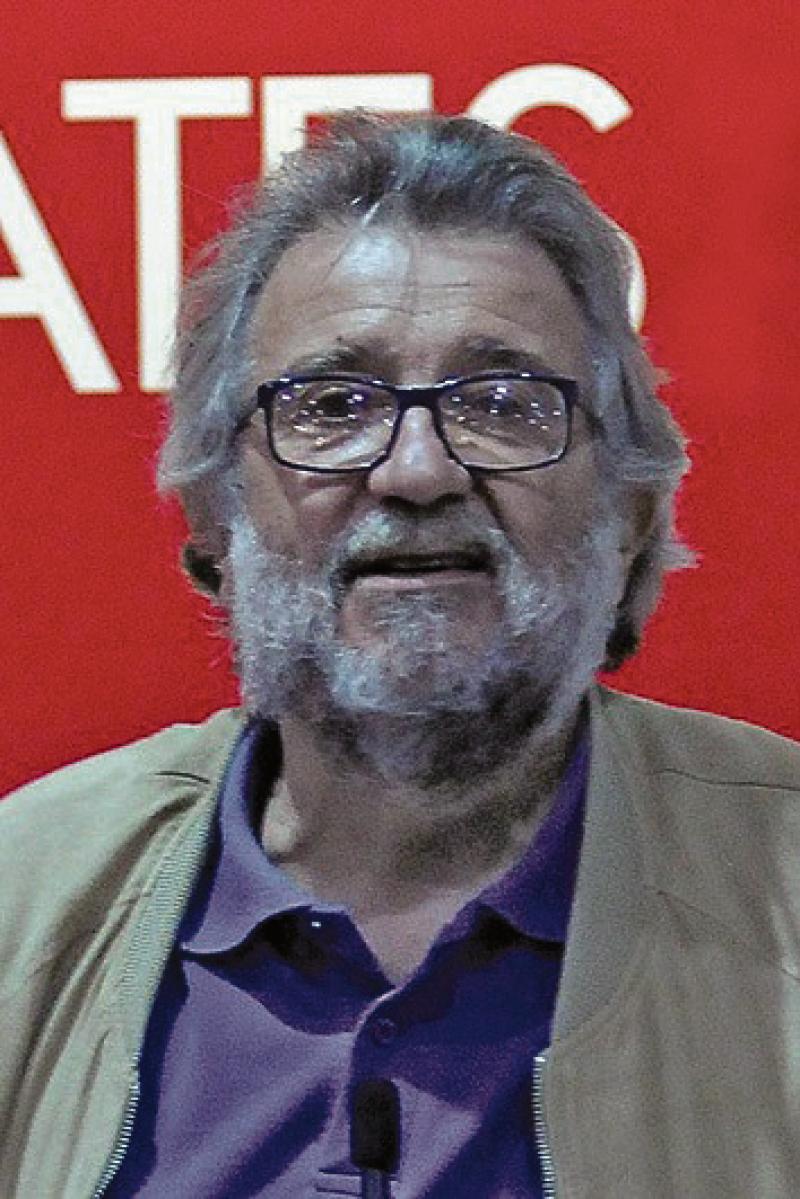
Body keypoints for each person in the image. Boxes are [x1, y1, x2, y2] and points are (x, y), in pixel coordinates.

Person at [1, 112, 798, 1199]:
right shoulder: (28, 898)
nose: (417, 471)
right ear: (213, 513)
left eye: (503, 404)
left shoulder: (780, 882)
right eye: (332, 405)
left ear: (629, 514)